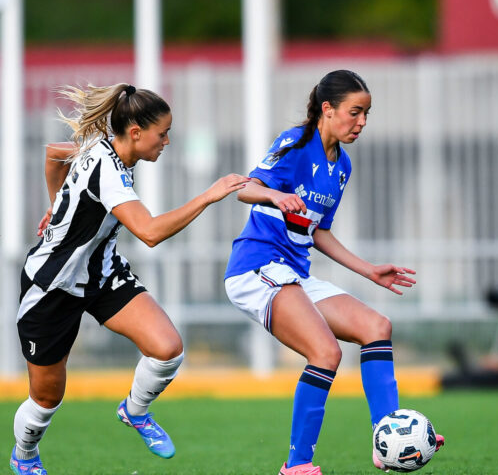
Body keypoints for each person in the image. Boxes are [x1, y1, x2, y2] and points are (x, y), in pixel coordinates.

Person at [9, 83, 249, 475]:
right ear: (135, 132)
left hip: (100, 275)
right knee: (47, 398)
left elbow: (55, 155)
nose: (167, 141)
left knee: (167, 348)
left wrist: (56, 204)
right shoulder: (109, 169)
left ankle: (135, 411)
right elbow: (150, 232)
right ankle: (25, 454)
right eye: (163, 133)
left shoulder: (106, 149)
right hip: (52, 285)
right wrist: (209, 195)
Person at [224, 70, 444, 475]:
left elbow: (319, 231)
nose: (361, 123)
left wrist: (369, 271)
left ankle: (388, 437)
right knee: (326, 353)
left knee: (377, 325)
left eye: (367, 114)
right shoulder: (296, 143)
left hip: (293, 273)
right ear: (327, 109)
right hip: (256, 267)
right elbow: (244, 189)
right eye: (354, 113)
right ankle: (296, 466)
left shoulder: (341, 164)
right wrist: (274, 193)